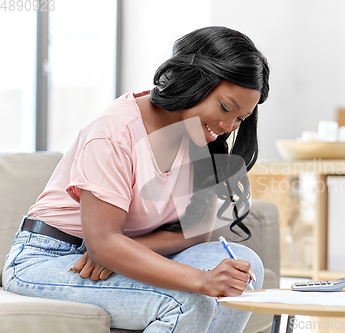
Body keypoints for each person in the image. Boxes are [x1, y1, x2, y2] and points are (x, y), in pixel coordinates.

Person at [2, 26, 270, 332]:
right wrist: (200, 279)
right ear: (194, 81)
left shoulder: (201, 138)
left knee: (244, 271)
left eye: (240, 118)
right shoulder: (115, 131)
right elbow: (103, 242)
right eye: (225, 107)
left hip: (111, 249)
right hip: (48, 259)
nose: (228, 125)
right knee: (187, 300)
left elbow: (195, 233)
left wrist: (123, 252)